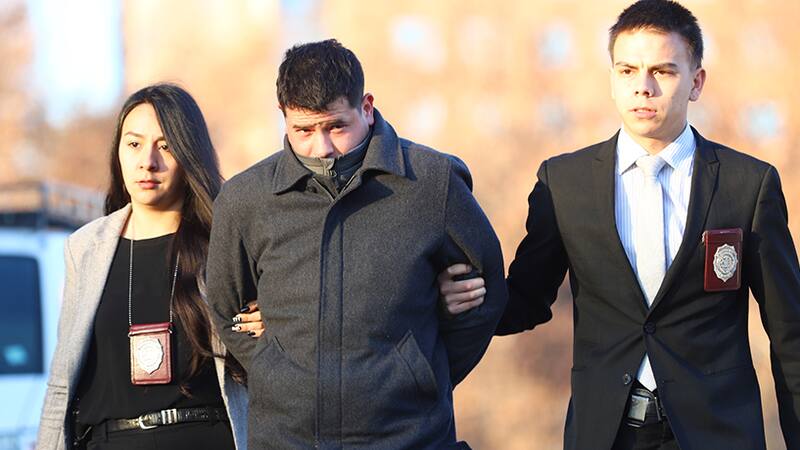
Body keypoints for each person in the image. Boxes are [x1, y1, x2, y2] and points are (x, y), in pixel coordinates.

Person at [439, 1, 800, 449]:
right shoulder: (564, 183)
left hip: (717, 433)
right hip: (607, 434)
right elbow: (526, 299)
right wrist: (465, 299)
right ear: (612, 79)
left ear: (696, 82)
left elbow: (790, 331)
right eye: (627, 71)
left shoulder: (748, 184)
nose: (643, 87)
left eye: (662, 71)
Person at [205, 39, 507, 449]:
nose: (322, 148)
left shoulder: (432, 181)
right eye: (303, 130)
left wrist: (420, 372)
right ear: (283, 116)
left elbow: (486, 292)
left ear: (366, 107)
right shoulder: (245, 199)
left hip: (412, 437)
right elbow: (227, 310)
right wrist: (277, 369)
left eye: (336, 126)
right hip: (286, 438)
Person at [36, 84, 263, 450]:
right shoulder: (85, 248)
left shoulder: (226, 240)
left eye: (166, 146)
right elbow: (62, 381)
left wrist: (271, 322)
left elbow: (274, 346)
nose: (148, 161)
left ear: (189, 154)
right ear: (118, 153)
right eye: (134, 144)